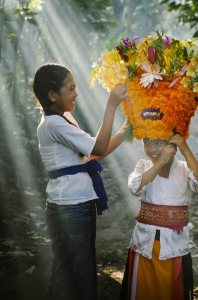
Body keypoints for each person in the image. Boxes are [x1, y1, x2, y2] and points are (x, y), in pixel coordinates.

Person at [32, 62, 128, 300]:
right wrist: (111, 105)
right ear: (52, 95)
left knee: (73, 269)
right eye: (71, 88)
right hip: (70, 206)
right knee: (77, 273)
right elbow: (98, 146)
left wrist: (128, 130)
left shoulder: (61, 118)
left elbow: (95, 153)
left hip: (73, 204)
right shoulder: (54, 123)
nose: (76, 94)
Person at [120, 133, 198, 300]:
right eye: (146, 142)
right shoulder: (143, 166)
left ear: (173, 145)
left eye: (158, 142)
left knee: (168, 292)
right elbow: (135, 188)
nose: (152, 148)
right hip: (144, 247)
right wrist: (160, 162)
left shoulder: (185, 168)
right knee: (142, 292)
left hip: (173, 249)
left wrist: (185, 149)